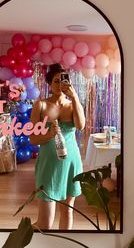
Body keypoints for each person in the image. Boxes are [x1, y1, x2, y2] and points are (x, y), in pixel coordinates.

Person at [30, 63, 85, 230]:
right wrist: (51, 134)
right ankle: (26, 232)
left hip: (71, 163)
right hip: (48, 164)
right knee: (44, 223)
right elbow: (33, 139)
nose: (60, 85)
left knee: (67, 212)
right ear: (49, 84)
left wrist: (74, 96)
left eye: (64, 80)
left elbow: (80, 126)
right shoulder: (41, 105)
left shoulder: (72, 104)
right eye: (56, 81)